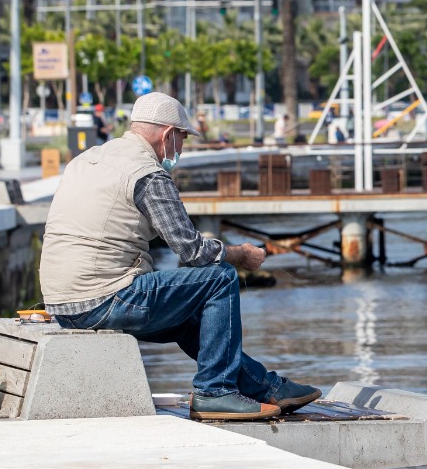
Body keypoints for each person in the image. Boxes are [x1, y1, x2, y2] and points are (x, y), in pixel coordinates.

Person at [39, 92, 321, 422]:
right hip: (103, 300)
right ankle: (215, 393)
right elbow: (192, 251)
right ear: (168, 134)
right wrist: (240, 254)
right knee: (219, 278)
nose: (182, 149)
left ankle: (265, 387)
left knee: (190, 317)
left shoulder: (86, 159)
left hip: (61, 303)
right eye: (183, 139)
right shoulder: (147, 174)